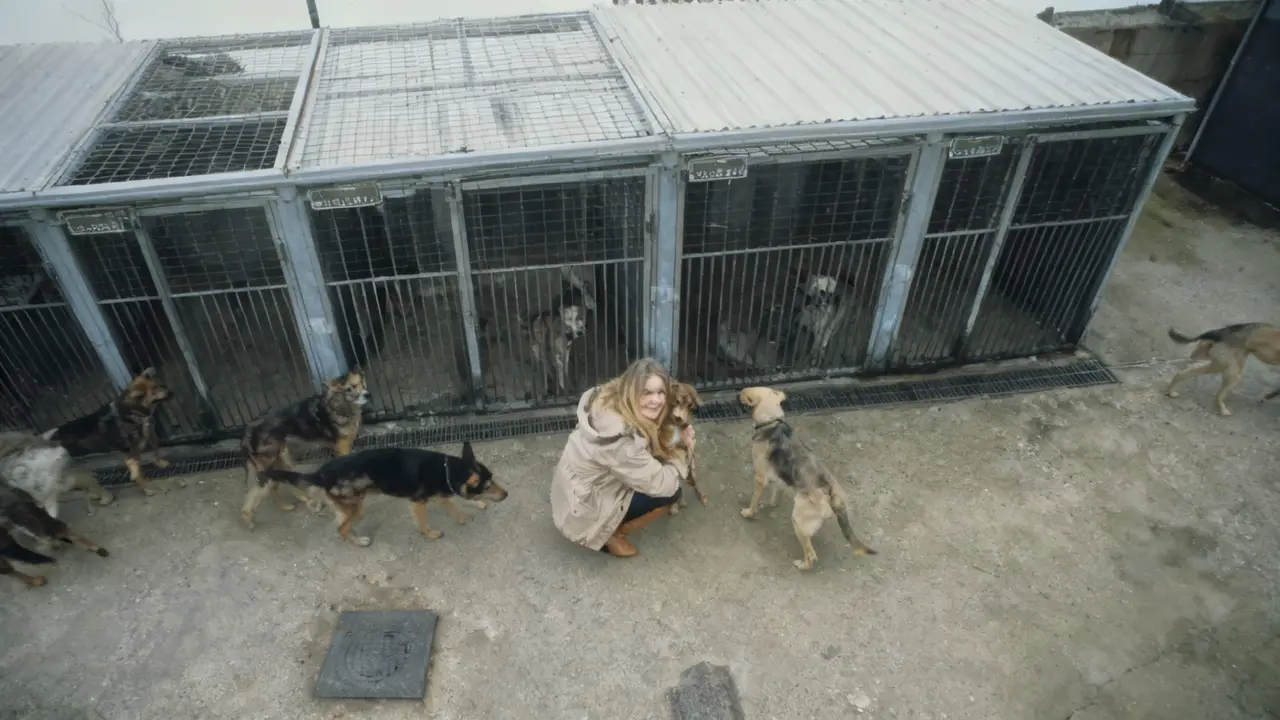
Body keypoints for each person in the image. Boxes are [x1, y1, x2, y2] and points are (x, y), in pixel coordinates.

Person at [550, 358, 695, 558]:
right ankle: (610, 536)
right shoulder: (623, 440)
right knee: (670, 493)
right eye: (647, 392)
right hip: (583, 509)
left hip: (573, 488)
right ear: (632, 390)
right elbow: (664, 484)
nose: (657, 400)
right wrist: (682, 451)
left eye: (661, 392)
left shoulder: (609, 398)